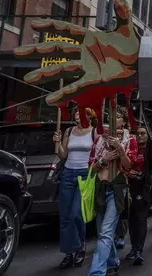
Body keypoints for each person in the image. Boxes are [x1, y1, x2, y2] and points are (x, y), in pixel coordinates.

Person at [88, 106, 138, 276]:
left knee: (106, 232)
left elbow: (128, 166)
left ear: (123, 121)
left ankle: (96, 272)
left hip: (117, 188)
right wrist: (104, 159)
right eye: (111, 116)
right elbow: (92, 167)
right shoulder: (99, 140)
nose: (114, 119)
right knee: (102, 230)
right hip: (100, 187)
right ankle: (112, 261)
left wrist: (120, 149)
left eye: (118, 117)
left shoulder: (129, 139)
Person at [53, 107, 97, 269]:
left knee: (77, 213)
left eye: (82, 113)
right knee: (65, 216)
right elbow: (62, 155)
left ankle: (80, 245)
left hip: (85, 175)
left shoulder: (94, 132)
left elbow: (97, 153)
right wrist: (57, 143)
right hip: (68, 174)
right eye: (76, 113)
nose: (77, 115)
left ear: (90, 116)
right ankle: (68, 252)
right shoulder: (69, 131)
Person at [124, 126, 152, 266]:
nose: (140, 136)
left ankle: (139, 250)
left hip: (144, 188)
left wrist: (140, 175)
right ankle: (133, 248)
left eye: (143, 133)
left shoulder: (150, 151)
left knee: (141, 219)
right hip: (130, 187)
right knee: (132, 219)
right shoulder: (130, 148)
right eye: (138, 133)